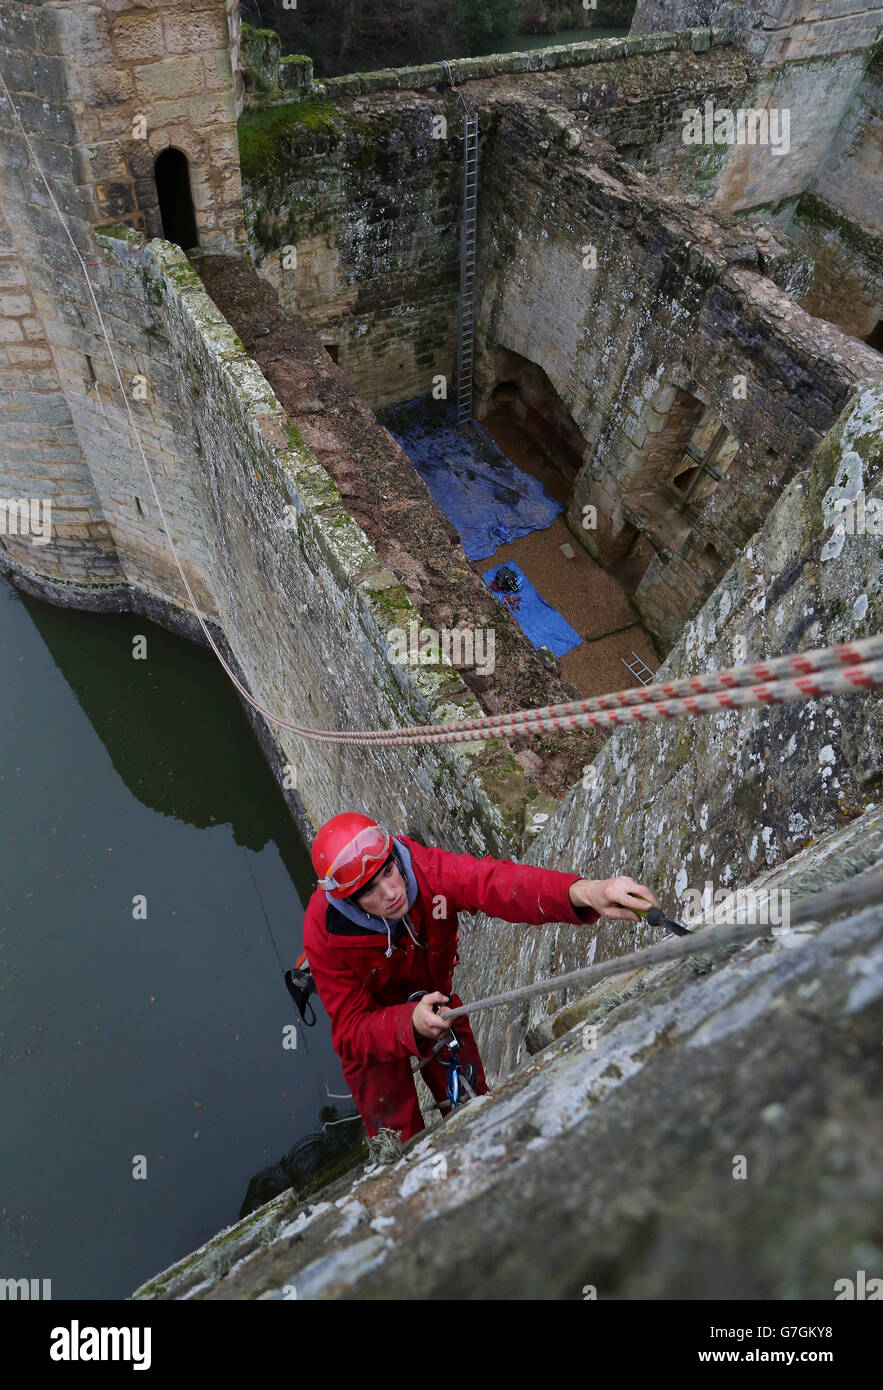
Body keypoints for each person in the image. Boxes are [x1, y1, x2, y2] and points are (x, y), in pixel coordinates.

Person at [303, 812, 659, 1144]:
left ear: (394, 857)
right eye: (369, 890)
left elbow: (495, 883)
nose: (392, 892)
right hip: (374, 1030)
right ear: (348, 900)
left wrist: (584, 892)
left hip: (438, 1006)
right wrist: (406, 1022)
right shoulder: (323, 934)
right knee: (398, 1140)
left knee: (475, 1108)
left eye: (389, 871)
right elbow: (350, 1032)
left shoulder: (427, 872)